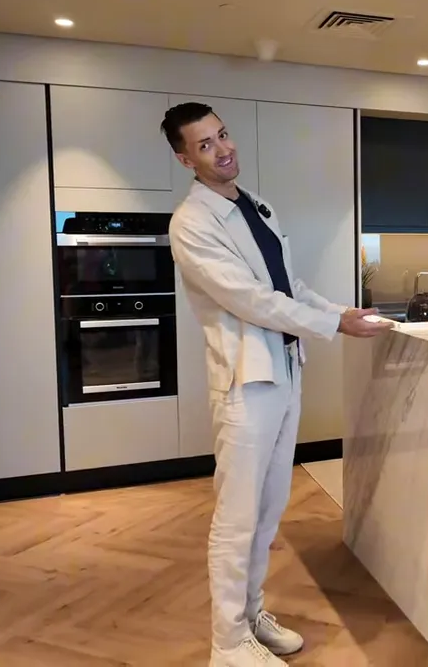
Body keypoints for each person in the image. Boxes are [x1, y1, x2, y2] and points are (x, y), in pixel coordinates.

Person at [162, 102, 392, 667]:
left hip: (284, 374)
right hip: (245, 383)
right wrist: (333, 324)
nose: (223, 149)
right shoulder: (191, 223)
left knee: (268, 510)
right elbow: (250, 300)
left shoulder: (256, 206)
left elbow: (289, 287)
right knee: (236, 514)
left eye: (223, 135)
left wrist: (342, 309)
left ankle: (250, 616)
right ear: (184, 158)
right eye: (206, 145)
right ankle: (226, 643)